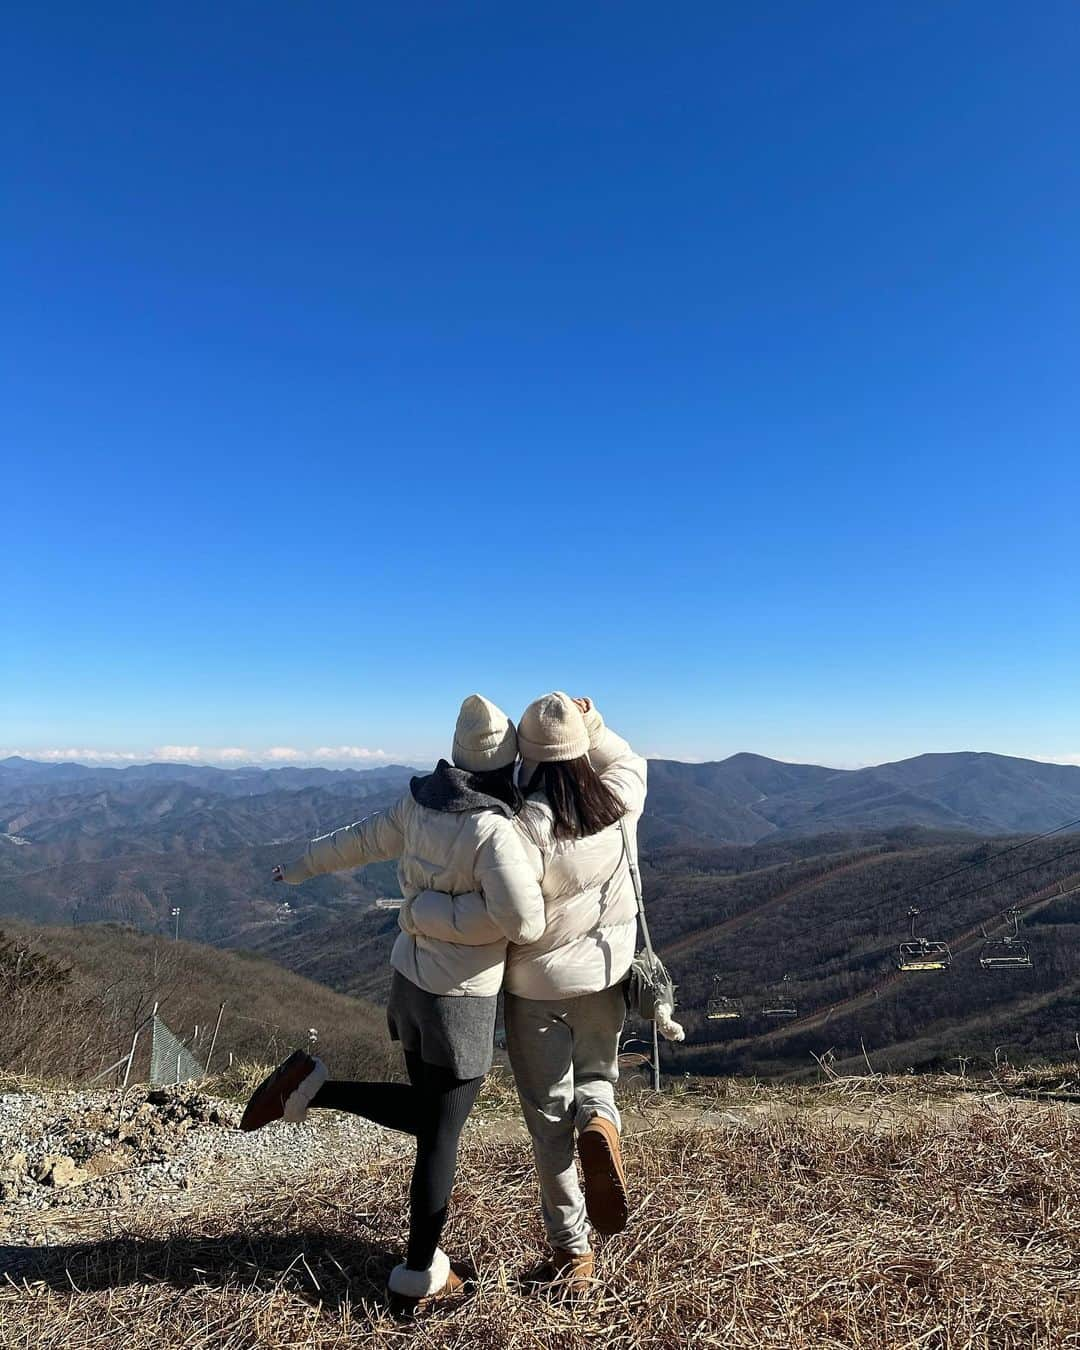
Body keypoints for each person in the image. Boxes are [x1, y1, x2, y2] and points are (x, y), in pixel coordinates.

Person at [239, 694, 545, 1317]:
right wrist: (436, 911)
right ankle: (416, 1273)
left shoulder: (419, 803)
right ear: (508, 764)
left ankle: (313, 1089)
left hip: (407, 983)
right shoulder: (492, 829)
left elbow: (357, 841)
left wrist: (300, 867)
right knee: (439, 1137)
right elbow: (526, 921)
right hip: (456, 1001)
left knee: (431, 1118)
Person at [407, 693, 646, 1295]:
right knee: (598, 1079)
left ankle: (573, 1252)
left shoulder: (520, 830)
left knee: (547, 1120)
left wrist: (425, 904)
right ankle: (602, 1123)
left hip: (536, 989)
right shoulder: (621, 797)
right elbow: (627, 754)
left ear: (528, 761)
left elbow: (505, 914)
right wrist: (588, 720)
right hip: (607, 974)